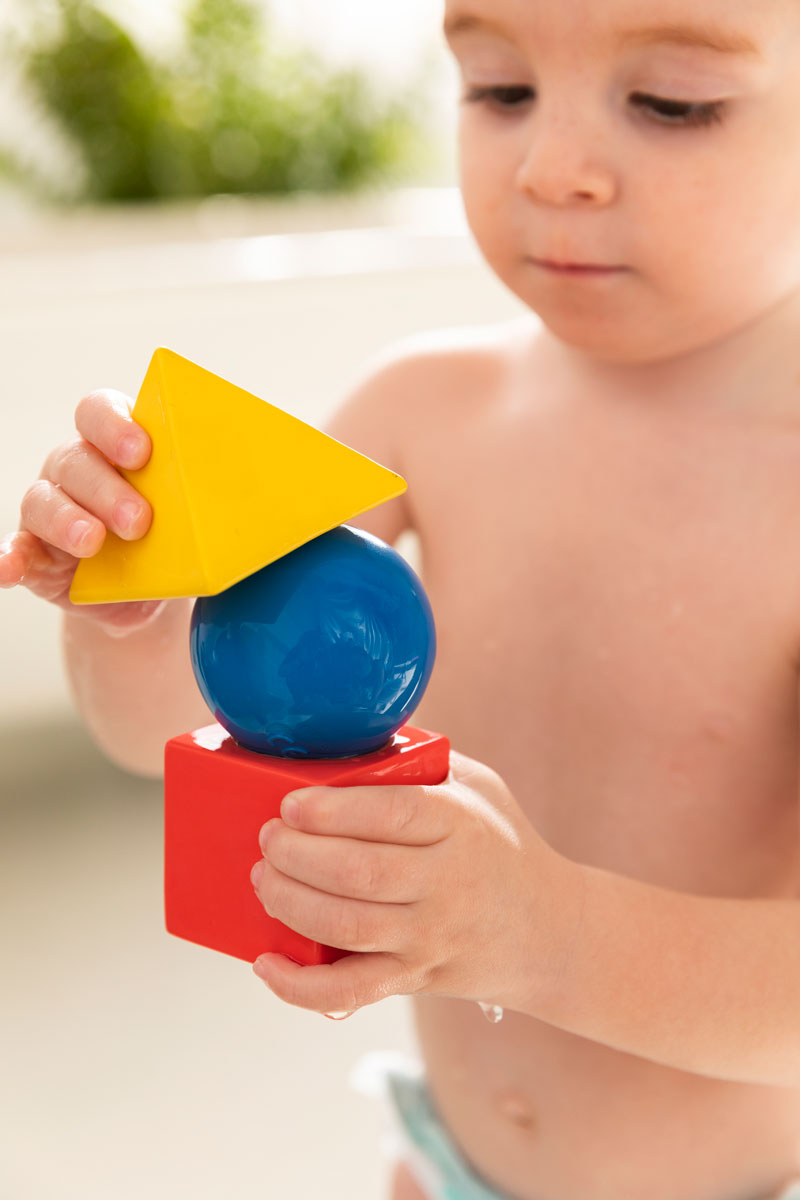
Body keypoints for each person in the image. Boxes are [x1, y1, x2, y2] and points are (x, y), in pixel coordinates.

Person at [4, 0, 800, 1195]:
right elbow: (147, 731)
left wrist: (544, 931)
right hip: (442, 1158)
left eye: (669, 102)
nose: (549, 170)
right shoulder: (424, 409)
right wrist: (133, 609)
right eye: (498, 89)